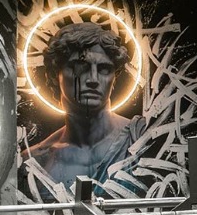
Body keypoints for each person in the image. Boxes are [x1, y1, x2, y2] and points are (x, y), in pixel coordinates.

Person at [26, 20, 143, 185]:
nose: (93, 79)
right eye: (80, 67)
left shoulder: (141, 138)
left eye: (104, 69)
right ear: (54, 75)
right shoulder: (35, 163)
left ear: (114, 79)